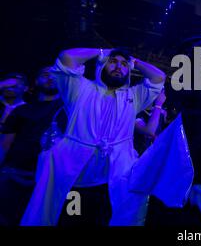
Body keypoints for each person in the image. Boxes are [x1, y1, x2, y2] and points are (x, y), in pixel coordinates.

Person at [21, 48, 165, 226]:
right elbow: (67, 58)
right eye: (113, 62)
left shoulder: (133, 96)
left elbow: (158, 77)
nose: (118, 66)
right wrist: (101, 51)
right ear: (102, 64)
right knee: (64, 220)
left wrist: (134, 61)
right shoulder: (80, 89)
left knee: (102, 220)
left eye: (123, 64)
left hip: (110, 179)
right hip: (72, 177)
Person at [0, 67, 65, 226]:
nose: (50, 77)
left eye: (56, 74)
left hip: (48, 179)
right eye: (45, 75)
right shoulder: (22, 109)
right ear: (36, 81)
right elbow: (5, 144)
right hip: (14, 174)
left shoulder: (70, 111)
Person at [134, 89, 167, 155]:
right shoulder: (137, 113)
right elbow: (149, 131)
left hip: (154, 157)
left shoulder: (161, 112)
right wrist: (158, 104)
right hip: (140, 158)